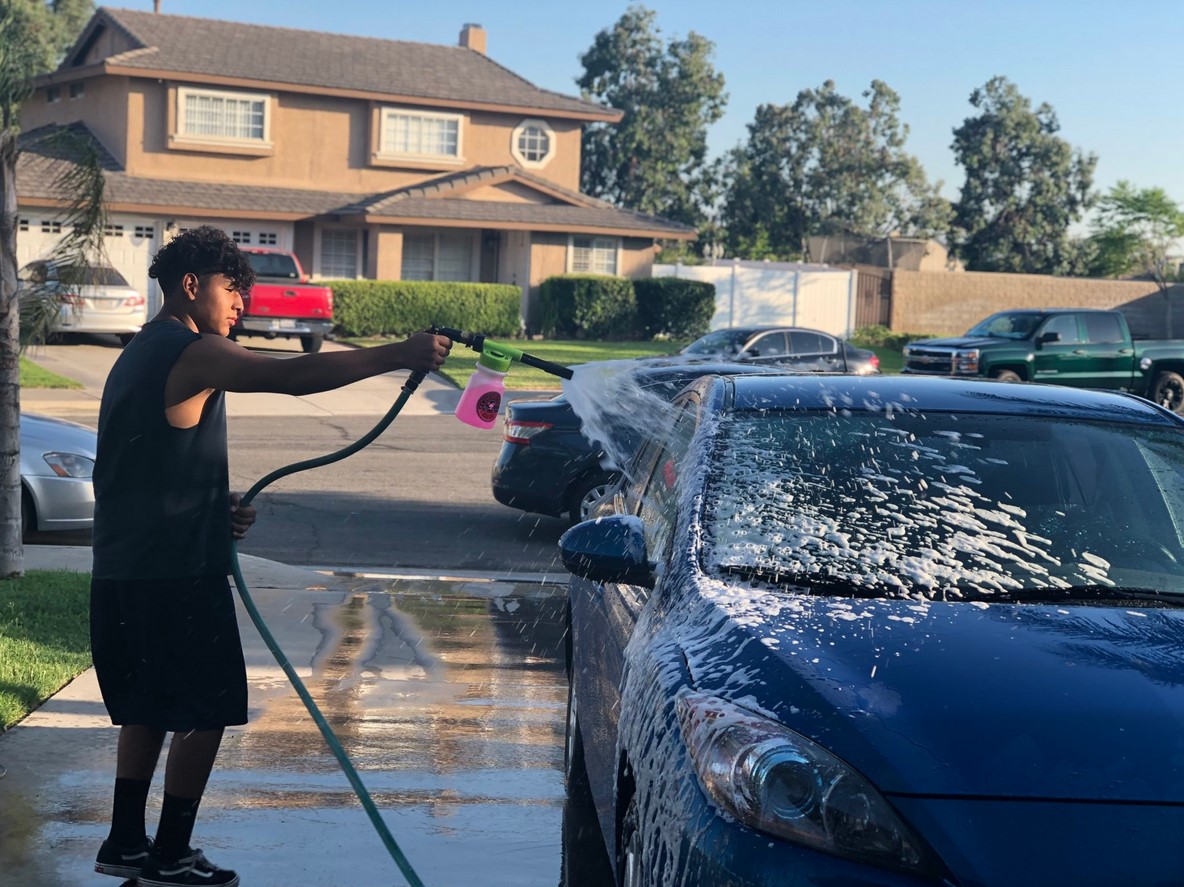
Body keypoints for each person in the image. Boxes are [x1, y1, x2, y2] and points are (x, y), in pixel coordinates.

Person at [90, 226, 451, 886]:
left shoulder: (139, 353)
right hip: (173, 573)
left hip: (125, 568)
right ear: (191, 286)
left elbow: (140, 464)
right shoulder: (192, 351)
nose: (243, 306)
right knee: (206, 708)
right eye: (234, 290)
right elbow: (290, 375)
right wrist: (401, 352)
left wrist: (209, 507)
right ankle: (170, 853)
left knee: (147, 704)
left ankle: (123, 841)